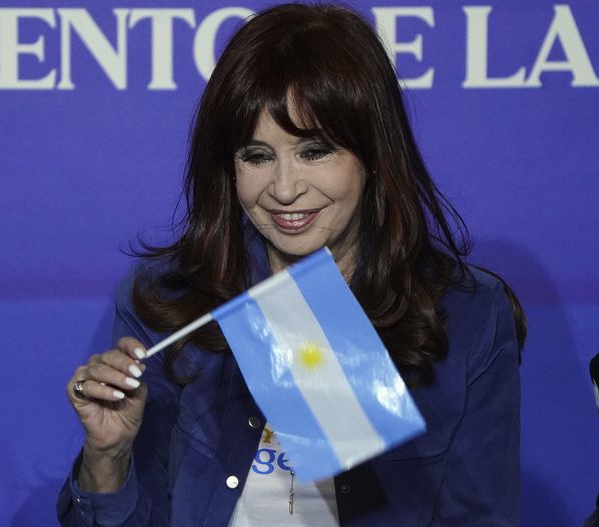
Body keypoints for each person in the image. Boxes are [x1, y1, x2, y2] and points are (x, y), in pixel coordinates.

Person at [57, 3, 526, 526]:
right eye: (256, 157)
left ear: (373, 153)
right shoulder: (169, 299)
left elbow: (481, 516)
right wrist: (108, 459)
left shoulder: (467, 314)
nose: (284, 189)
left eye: (314, 151)